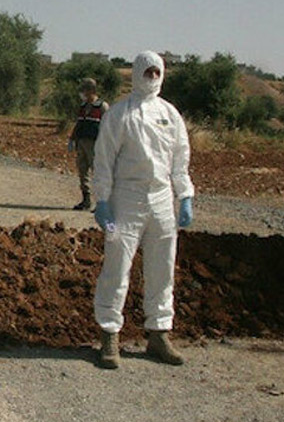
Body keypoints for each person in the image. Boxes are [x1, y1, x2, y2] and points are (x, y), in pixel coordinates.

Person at [91, 51, 194, 369]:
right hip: (125, 202)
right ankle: (109, 335)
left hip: (162, 201)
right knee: (117, 265)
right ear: (136, 73)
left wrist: (185, 195)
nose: (151, 76)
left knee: (163, 268)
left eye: (156, 71)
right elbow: (104, 160)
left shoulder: (170, 114)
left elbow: (180, 158)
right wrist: (102, 201)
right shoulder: (119, 114)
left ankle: (158, 334)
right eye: (146, 71)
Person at [68, 78, 109, 210]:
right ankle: (86, 200)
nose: (82, 93)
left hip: (95, 144)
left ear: (91, 90)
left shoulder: (102, 106)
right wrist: (72, 139)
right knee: (82, 171)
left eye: (84, 90)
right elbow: (79, 123)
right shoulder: (83, 106)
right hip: (82, 142)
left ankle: (101, 203)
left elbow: (108, 127)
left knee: (97, 173)